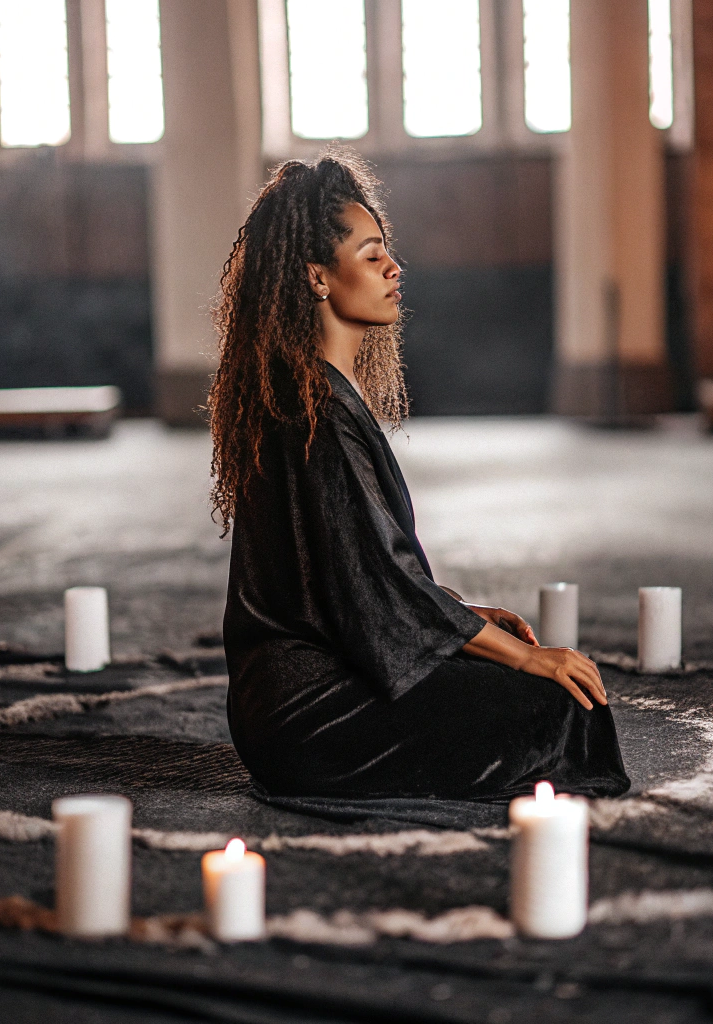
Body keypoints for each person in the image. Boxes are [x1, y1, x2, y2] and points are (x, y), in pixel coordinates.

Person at [208, 149, 629, 802]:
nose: (393, 268)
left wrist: (461, 618)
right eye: (372, 255)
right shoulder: (314, 412)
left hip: (289, 704)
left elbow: (358, 579)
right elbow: (373, 593)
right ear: (318, 277)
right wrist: (516, 655)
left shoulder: (313, 394)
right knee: (562, 710)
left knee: (547, 693)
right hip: (310, 715)